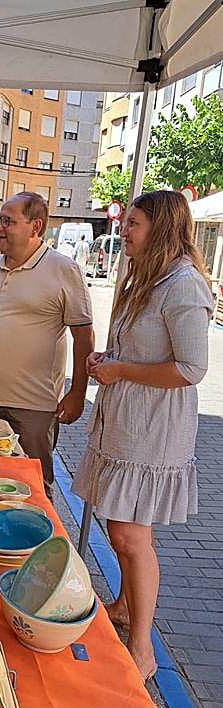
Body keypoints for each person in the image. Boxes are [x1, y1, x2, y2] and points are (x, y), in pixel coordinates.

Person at [72, 191, 214, 681]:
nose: (123, 231)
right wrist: (106, 362)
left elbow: (193, 368)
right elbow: (137, 349)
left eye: (133, 223)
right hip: (127, 422)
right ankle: (125, 606)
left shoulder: (183, 285)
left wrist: (122, 369)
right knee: (119, 528)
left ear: (162, 228)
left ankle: (143, 649)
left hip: (153, 430)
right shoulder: (146, 280)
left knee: (132, 536)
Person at [0, 192, 94, 495]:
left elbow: (83, 336)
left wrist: (77, 393)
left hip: (33, 406)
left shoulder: (63, 269)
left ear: (36, 227)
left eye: (8, 221)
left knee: (32, 488)